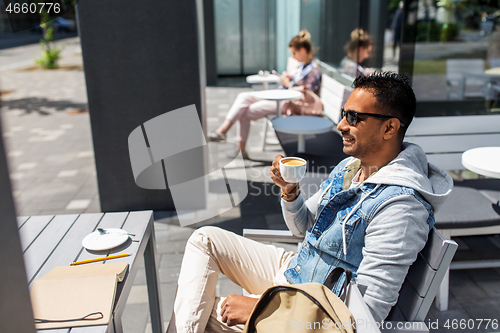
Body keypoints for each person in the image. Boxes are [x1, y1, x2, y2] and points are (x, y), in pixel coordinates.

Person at [167, 72, 453, 333]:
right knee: (205, 239)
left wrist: (262, 309)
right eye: (343, 114)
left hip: (309, 306)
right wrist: (290, 192)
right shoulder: (351, 167)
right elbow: (303, 229)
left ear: (389, 128)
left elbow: (363, 316)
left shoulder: (401, 207)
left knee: (198, 311)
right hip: (299, 269)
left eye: (353, 117)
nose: (341, 125)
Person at [207, 30, 322, 159]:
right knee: (243, 97)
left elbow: (307, 94)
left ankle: (233, 142)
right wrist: (288, 79)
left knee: (243, 112)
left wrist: (288, 84)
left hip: (288, 103)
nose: (294, 57)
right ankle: (223, 131)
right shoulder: (302, 66)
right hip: (282, 97)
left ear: (302, 50)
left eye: (294, 53)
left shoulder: (313, 69)